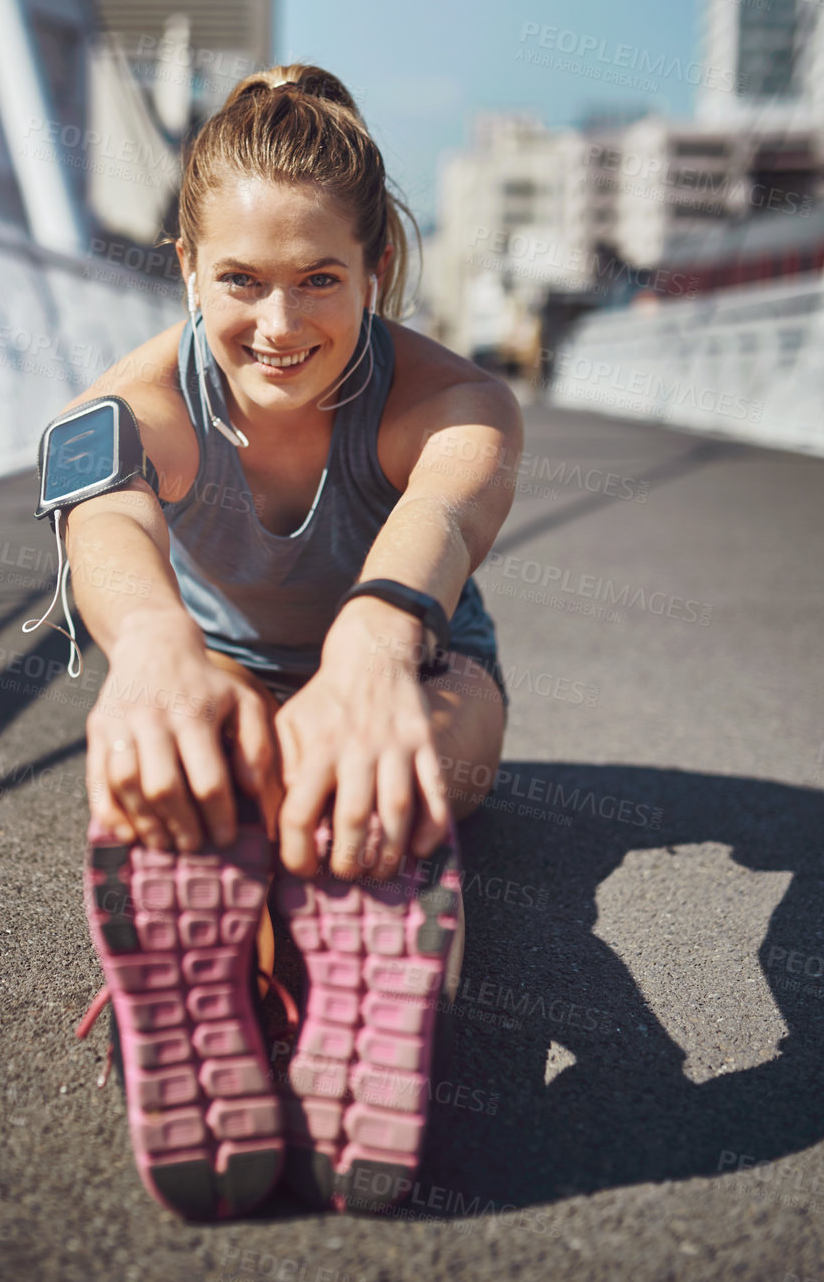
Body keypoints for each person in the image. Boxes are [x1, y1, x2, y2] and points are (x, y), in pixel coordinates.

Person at [50, 63, 522, 1221]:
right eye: (240, 281)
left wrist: (366, 661)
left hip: (414, 662)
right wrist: (154, 648)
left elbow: (441, 519)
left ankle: (284, 910)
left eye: (319, 278)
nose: (276, 324)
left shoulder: (456, 404)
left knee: (426, 739)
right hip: (227, 676)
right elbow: (100, 518)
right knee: (190, 730)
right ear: (184, 270)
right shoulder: (124, 404)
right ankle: (278, 932)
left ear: (379, 270)